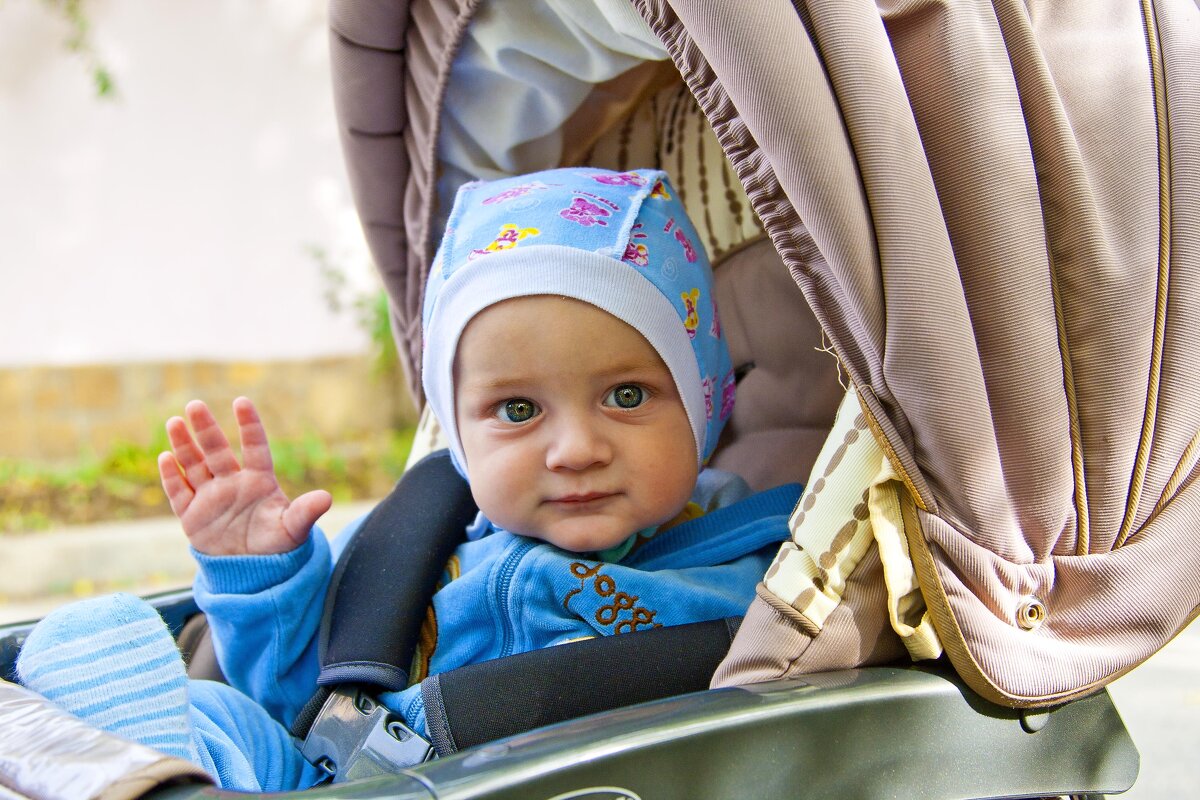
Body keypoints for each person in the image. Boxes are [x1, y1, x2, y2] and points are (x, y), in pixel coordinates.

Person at [15, 168, 800, 791]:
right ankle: (146, 757)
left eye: (626, 396)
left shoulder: (756, 564)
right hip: (328, 770)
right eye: (518, 409)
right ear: (458, 433)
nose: (575, 449)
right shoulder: (419, 541)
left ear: (700, 409)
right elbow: (296, 698)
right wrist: (262, 575)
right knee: (193, 702)